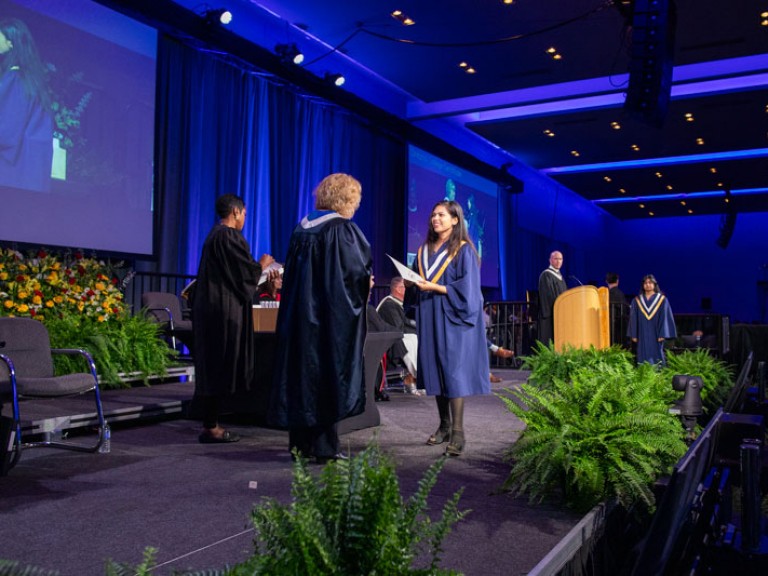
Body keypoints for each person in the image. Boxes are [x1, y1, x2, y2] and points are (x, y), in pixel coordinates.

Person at [270, 173, 372, 464]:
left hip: (298, 318)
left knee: (301, 376)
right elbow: (355, 273)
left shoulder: (301, 228)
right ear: (347, 198)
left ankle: (299, 446)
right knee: (328, 376)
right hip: (327, 319)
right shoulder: (341, 229)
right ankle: (325, 447)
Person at [192, 194, 275, 443]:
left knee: (213, 366)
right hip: (222, 313)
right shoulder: (228, 237)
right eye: (245, 215)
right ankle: (211, 426)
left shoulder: (213, 235)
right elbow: (243, 275)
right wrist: (262, 264)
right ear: (236, 212)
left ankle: (212, 423)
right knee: (219, 365)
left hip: (212, 309)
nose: (245, 220)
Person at [410, 200, 489, 457]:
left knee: (453, 373)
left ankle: (458, 431)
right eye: (433, 215)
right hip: (430, 315)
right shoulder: (423, 250)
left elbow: (468, 290)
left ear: (455, 220)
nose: (436, 219)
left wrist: (435, 288)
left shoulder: (463, 250)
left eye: (442, 215)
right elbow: (417, 281)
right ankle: (443, 425)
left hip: (451, 317)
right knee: (435, 371)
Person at [0, 18, 53, 193]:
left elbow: (6, 131)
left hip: (12, 174)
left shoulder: (15, 79)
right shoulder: (34, 82)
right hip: (32, 176)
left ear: (11, 42)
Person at [377, 276, 421, 394]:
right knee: (413, 339)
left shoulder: (399, 304)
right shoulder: (388, 304)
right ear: (399, 289)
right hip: (388, 342)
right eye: (406, 287)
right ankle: (412, 379)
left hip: (397, 338)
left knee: (417, 338)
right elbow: (398, 327)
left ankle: (416, 379)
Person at [628, 274, 677, 366]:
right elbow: (633, 318)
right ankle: (643, 372)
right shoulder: (637, 300)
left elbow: (665, 317)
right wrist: (634, 334)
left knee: (657, 353)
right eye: (645, 283)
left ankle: (659, 373)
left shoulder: (662, 300)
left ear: (655, 284)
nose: (648, 284)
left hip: (656, 332)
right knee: (642, 352)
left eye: (650, 282)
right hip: (641, 332)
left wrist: (663, 333)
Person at [537, 251, 567, 346]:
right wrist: (557, 310)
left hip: (560, 315)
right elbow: (547, 296)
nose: (558, 261)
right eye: (556, 259)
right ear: (550, 260)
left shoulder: (560, 276)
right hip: (550, 315)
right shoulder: (546, 275)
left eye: (560, 259)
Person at [606, 272, 628, 346]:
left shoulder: (604, 295)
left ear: (606, 281)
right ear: (617, 281)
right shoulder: (621, 294)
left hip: (607, 328)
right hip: (620, 328)